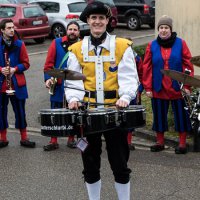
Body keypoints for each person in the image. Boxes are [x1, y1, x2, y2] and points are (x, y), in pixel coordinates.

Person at [65, 2, 139, 200]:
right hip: (88, 114)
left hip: (115, 112)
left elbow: (129, 78)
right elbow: (73, 81)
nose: (97, 21)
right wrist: (73, 99)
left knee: (120, 163)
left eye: (101, 18)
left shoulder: (123, 46)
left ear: (108, 21)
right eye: (93, 18)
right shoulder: (76, 49)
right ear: (88, 21)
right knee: (89, 163)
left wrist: (124, 98)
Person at [142, 15, 194, 154]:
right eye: (161, 28)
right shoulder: (152, 45)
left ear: (170, 29)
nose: (163, 30)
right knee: (159, 114)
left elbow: (188, 64)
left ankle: (182, 144)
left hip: (177, 87)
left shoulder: (181, 43)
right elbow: (146, 67)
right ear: (158, 29)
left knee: (181, 115)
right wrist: (148, 87)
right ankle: (160, 142)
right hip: (159, 86)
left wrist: (187, 86)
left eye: (166, 28)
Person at [43, 21, 80, 151]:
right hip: (58, 85)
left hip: (75, 85)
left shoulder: (82, 46)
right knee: (55, 112)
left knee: (73, 112)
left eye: (75, 29)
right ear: (66, 30)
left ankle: (71, 139)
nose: (72, 32)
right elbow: (48, 65)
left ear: (79, 32)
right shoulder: (56, 43)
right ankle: (53, 140)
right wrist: (48, 79)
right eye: (70, 29)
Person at [0, 19, 36, 148]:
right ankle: (3, 139)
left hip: (16, 83)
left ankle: (24, 138)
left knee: (20, 111)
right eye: (8, 28)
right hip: (1, 84)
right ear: (2, 30)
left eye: (12, 27)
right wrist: (1, 69)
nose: (11, 30)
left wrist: (15, 69)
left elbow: (26, 63)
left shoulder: (20, 44)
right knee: (1, 111)